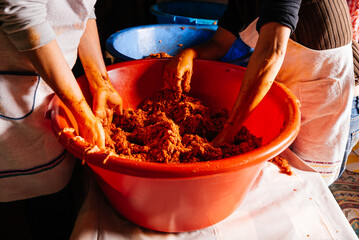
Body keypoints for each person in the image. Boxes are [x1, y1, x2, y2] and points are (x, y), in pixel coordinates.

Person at [164, 0, 355, 186]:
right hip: (284, 78)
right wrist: (188, 54)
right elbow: (220, 43)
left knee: (308, 181)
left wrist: (230, 130)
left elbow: (272, 51)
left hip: (322, 88)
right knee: (278, 173)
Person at [0, 0, 122, 239]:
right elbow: (23, 13)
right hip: (10, 87)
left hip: (51, 85)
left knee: (52, 204)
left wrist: (100, 82)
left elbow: (80, 9)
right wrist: (81, 111)